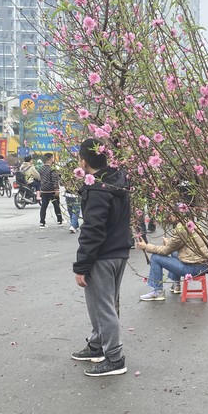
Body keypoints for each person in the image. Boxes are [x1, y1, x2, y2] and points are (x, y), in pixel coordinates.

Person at [71, 139, 132, 377]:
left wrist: (81, 265)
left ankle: (114, 358)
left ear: (84, 162)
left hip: (103, 256)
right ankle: (97, 345)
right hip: (120, 252)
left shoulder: (97, 189)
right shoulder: (118, 181)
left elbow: (92, 230)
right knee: (105, 303)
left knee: (103, 306)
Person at [136, 215, 208, 301]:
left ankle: (158, 291)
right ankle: (176, 284)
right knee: (174, 252)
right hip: (202, 265)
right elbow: (179, 245)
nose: (169, 216)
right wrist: (169, 243)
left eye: (171, 214)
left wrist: (146, 246)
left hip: (193, 269)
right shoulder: (192, 224)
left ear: (177, 215)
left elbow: (165, 251)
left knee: (155, 258)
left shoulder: (182, 229)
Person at [37, 153, 63, 228]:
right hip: (52, 190)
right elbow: (54, 180)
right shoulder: (52, 169)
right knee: (56, 205)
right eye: (52, 158)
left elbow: (38, 179)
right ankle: (59, 220)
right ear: (50, 158)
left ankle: (42, 222)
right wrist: (57, 189)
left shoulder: (40, 169)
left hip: (44, 190)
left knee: (43, 206)